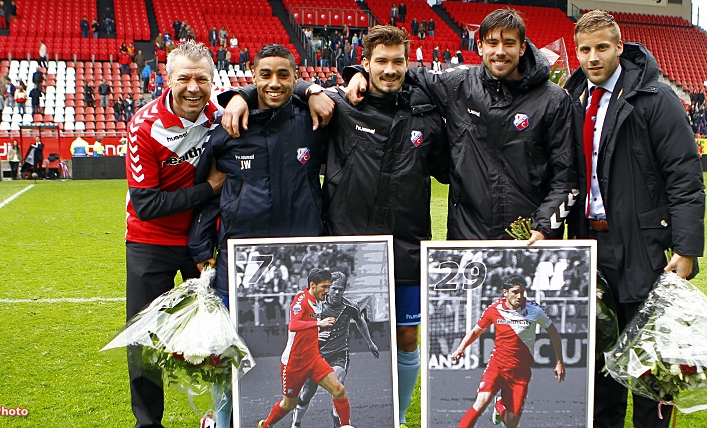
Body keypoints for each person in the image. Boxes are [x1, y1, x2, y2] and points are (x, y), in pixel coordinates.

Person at [221, 25, 449, 428]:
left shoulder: (427, 118)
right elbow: (283, 88)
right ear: (365, 63)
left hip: (408, 245)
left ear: (408, 64)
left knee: (408, 338)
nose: (390, 69)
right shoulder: (340, 106)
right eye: (381, 61)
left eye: (398, 61)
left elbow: (449, 171)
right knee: (320, 358)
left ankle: (393, 416)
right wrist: (248, 94)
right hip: (345, 244)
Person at [563, 10, 705, 428]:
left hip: (644, 247)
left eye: (602, 48)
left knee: (648, 365)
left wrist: (687, 247)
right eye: (585, 50)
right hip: (590, 246)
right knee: (601, 364)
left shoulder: (655, 98)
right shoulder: (573, 99)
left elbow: (684, 174)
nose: (593, 58)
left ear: (620, 48)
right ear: (576, 51)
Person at [344, 9, 576, 244]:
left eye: (509, 43)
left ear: (523, 47)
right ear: (480, 45)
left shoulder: (553, 99)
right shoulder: (459, 85)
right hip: (465, 240)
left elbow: (567, 177)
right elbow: (399, 75)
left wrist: (543, 227)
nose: (500, 52)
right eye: (492, 43)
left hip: (527, 239)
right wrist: (358, 73)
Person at [189, 44, 329, 428]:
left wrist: (312, 92)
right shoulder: (229, 127)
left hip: (299, 260)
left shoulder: (313, 122)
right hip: (239, 262)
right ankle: (221, 420)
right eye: (265, 74)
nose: (274, 82)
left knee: (283, 347)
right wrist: (201, 246)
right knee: (227, 350)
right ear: (252, 75)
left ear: (296, 77)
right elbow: (208, 191)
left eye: (284, 74)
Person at [124, 40, 225, 428]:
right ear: (167, 79)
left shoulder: (222, 115)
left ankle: (223, 415)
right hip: (152, 243)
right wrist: (208, 189)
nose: (194, 87)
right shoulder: (144, 125)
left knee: (220, 335)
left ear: (213, 80)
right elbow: (147, 204)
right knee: (145, 339)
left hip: (205, 244)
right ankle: (148, 423)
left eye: (202, 78)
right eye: (184, 78)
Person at [450, 275, 565, 428]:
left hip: (520, 372)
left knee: (511, 424)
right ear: (505, 292)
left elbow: (554, 333)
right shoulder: (494, 309)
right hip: (496, 367)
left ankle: (500, 405)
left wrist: (559, 362)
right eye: (515, 292)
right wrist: (461, 347)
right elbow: (476, 331)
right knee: (481, 402)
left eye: (522, 292)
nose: (519, 296)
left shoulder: (535, 310)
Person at [257, 269, 352, 428]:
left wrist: (318, 332)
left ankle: (345, 425)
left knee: (339, 390)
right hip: (294, 363)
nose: (327, 290)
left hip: (313, 358)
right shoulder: (301, 300)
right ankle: (266, 425)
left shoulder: (319, 300)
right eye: (324, 287)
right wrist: (318, 324)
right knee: (289, 405)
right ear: (312, 285)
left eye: (329, 286)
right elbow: (293, 324)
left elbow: (310, 324)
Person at [291, 271, 380, 428]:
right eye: (334, 288)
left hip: (339, 353)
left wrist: (370, 343)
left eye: (340, 289)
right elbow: (301, 326)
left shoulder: (350, 307)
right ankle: (296, 423)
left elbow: (360, 321)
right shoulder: (316, 306)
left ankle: (338, 418)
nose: (337, 292)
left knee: (338, 384)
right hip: (316, 355)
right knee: (307, 393)